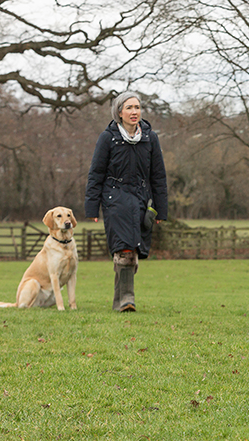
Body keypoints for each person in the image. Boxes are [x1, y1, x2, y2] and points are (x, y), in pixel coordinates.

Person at [85, 92, 168, 312]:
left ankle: (119, 302)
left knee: (133, 249)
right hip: (115, 199)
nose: (134, 112)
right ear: (119, 112)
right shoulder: (108, 138)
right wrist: (92, 206)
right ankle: (127, 299)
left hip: (142, 201)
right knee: (125, 249)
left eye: (137, 107)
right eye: (129, 107)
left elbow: (158, 176)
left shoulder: (150, 138)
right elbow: (96, 173)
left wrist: (160, 209)